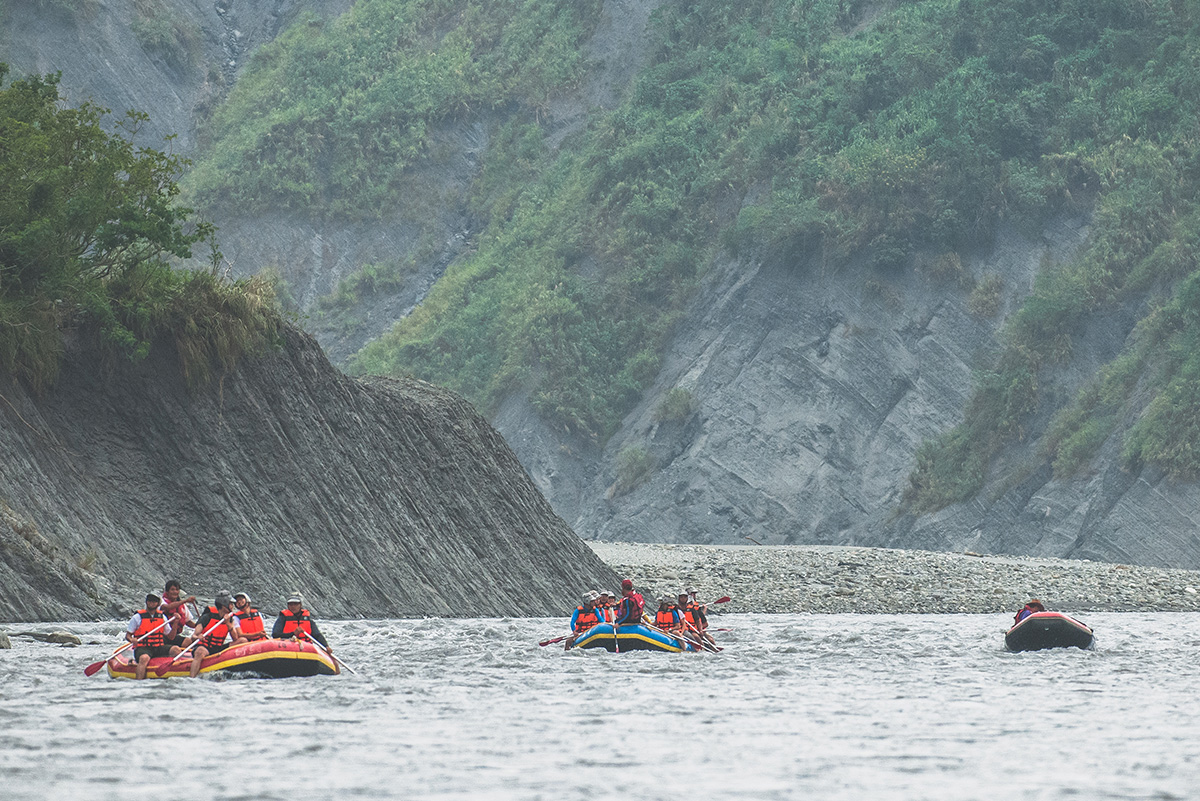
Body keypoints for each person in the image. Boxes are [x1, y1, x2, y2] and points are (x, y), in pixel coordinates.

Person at [187, 591, 244, 678]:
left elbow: (235, 638)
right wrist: (198, 637)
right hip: (205, 648)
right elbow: (193, 636)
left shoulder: (230, 618)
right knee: (200, 652)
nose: (233, 606)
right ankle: (192, 678)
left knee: (242, 640)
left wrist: (228, 623)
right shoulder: (207, 617)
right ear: (224, 604)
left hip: (218, 648)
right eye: (231, 604)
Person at [125, 591, 175, 680]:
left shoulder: (162, 617)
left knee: (176, 650)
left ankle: (174, 673)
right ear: (146, 602)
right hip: (143, 647)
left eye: (154, 601)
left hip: (158, 646)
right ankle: (139, 681)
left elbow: (170, 637)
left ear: (158, 603)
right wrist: (132, 640)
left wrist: (176, 622)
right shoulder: (137, 617)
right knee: (144, 658)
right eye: (149, 601)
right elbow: (128, 636)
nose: (151, 603)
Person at [160, 579, 196, 648]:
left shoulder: (182, 606)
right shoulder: (161, 601)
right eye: (172, 590)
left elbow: (188, 622)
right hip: (163, 636)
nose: (175, 592)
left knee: (188, 641)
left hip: (174, 635)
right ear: (167, 592)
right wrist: (185, 601)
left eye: (177, 590)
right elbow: (168, 607)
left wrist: (200, 625)